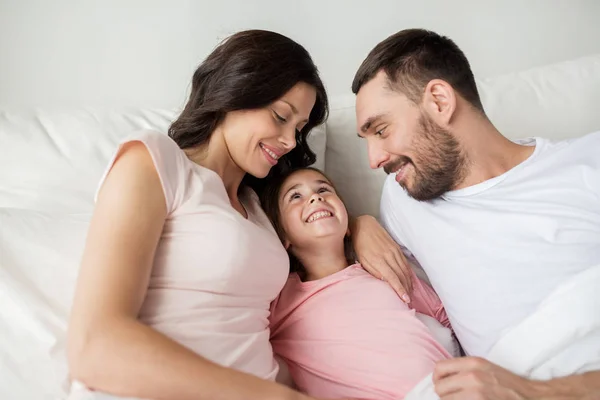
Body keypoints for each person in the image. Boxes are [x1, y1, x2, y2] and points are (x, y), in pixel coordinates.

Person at [66, 29, 391, 400]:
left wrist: (360, 225)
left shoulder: (260, 206)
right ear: (235, 92)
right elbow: (95, 347)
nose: (288, 141)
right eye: (280, 117)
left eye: (299, 130)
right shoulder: (156, 162)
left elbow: (316, 261)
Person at [351, 28, 600, 399]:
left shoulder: (588, 161)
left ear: (438, 100)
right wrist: (358, 225)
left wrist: (534, 393)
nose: (374, 159)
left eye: (382, 130)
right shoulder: (403, 199)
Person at [261, 167, 459, 400]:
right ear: (282, 236)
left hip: (443, 387)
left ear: (347, 224)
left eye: (323, 189)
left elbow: (447, 318)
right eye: (295, 196)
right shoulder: (279, 297)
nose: (316, 197)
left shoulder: (383, 268)